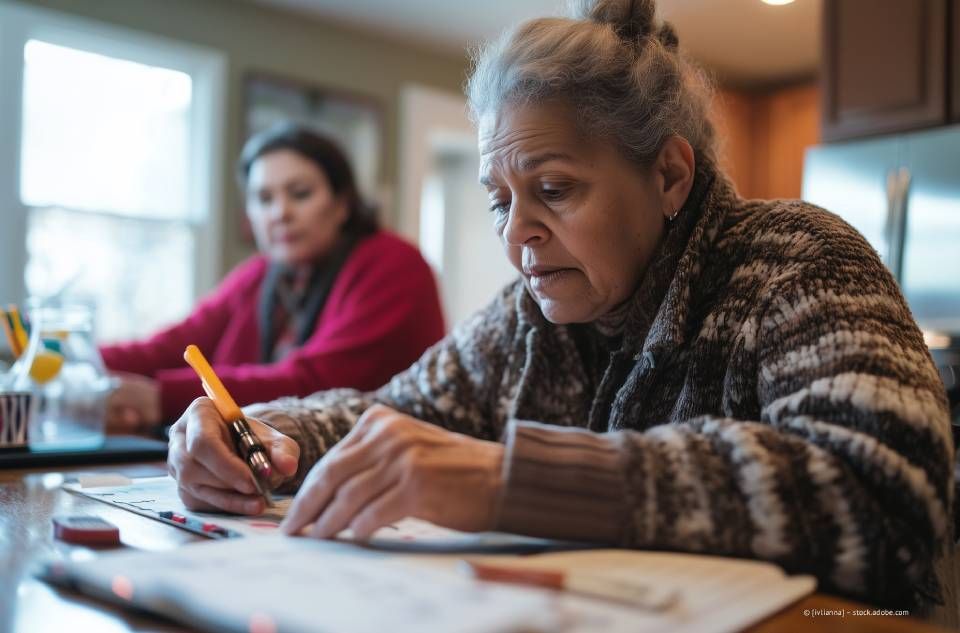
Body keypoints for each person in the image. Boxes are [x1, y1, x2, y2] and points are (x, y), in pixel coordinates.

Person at [167, 0, 955, 612]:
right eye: (499, 201)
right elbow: (388, 412)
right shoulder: (529, 317)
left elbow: (889, 499)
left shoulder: (796, 260)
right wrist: (265, 433)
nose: (519, 235)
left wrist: (514, 478)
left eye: (554, 190)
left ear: (670, 176)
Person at [102, 124, 445, 434]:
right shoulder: (259, 274)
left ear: (342, 203)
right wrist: (82, 361)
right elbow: (173, 346)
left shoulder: (395, 264)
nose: (280, 213)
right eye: (264, 199)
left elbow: (318, 383)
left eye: (300, 194)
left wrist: (161, 397)